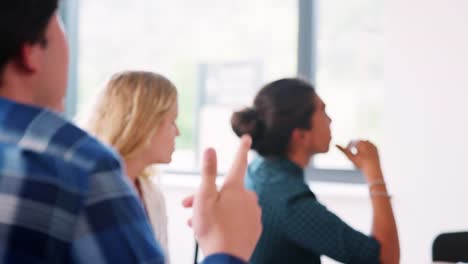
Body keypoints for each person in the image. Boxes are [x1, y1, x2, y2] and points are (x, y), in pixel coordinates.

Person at [0, 1, 261, 263]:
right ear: (31, 52)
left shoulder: (143, 191)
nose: (178, 132)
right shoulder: (79, 168)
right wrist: (227, 247)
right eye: (59, 24)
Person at [231, 78, 399, 264]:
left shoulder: (258, 171)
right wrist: (373, 171)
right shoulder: (289, 202)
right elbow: (385, 259)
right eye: (323, 111)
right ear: (301, 135)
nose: (330, 120)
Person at [77, 71, 180, 263]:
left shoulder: (152, 194)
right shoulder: (84, 191)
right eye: (172, 122)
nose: (178, 132)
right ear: (144, 123)